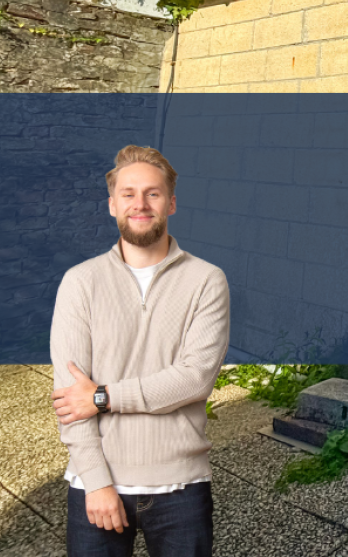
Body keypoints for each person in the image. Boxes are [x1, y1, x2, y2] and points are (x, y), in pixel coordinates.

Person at [50, 145, 229, 556]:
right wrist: (96, 482)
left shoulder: (206, 280)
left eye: (153, 193)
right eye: (128, 194)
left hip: (182, 487)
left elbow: (194, 379)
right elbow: (70, 397)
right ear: (112, 205)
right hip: (96, 486)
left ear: (171, 203)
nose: (140, 204)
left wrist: (102, 397)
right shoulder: (80, 282)